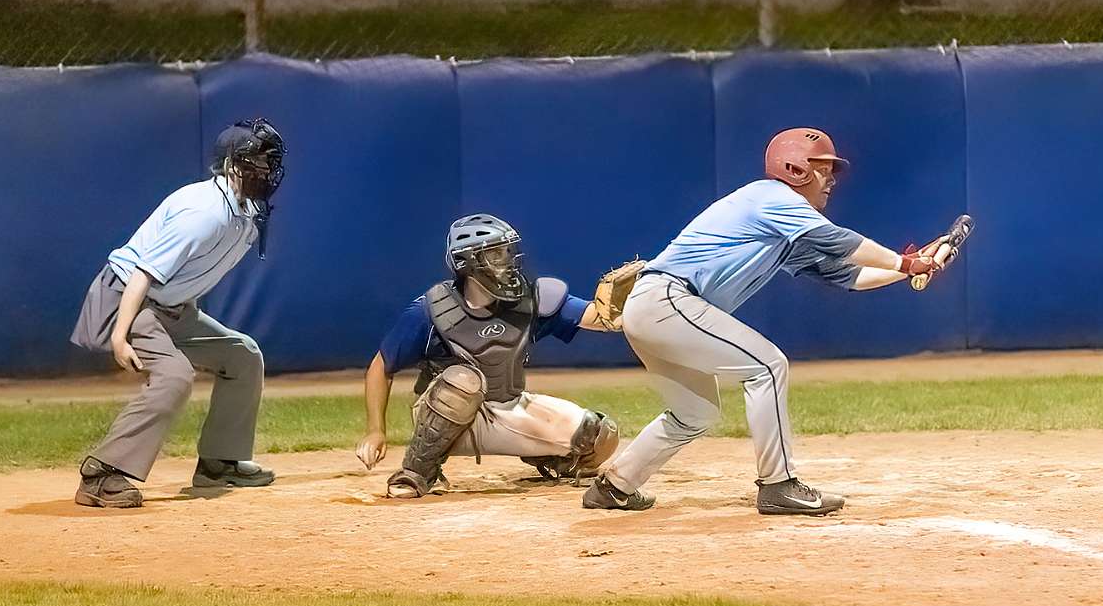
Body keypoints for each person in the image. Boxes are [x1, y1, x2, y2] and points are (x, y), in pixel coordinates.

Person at [584, 127, 965, 516]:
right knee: (767, 366)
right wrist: (905, 262)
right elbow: (838, 240)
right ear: (794, 168)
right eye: (823, 169)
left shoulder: (784, 230)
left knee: (695, 414)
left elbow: (847, 276)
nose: (831, 180)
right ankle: (778, 485)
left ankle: (615, 485)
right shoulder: (771, 196)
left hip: (658, 308)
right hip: (669, 300)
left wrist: (909, 268)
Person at [68, 119, 286, 508]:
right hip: (126, 299)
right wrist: (119, 336)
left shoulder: (247, 210)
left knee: (243, 355)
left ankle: (219, 462)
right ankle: (102, 474)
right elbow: (143, 273)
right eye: (257, 162)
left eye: (270, 162)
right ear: (232, 165)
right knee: (175, 375)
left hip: (169, 307)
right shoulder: (203, 212)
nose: (266, 171)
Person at [355, 213, 630, 499]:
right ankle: (418, 471)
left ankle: (554, 460)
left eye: (508, 251)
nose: (507, 261)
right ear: (467, 263)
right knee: (463, 382)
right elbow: (381, 367)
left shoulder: (532, 298)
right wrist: (376, 430)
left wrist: (638, 303)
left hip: (507, 406)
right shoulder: (431, 310)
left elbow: (601, 318)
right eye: (495, 254)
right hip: (444, 417)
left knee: (600, 435)